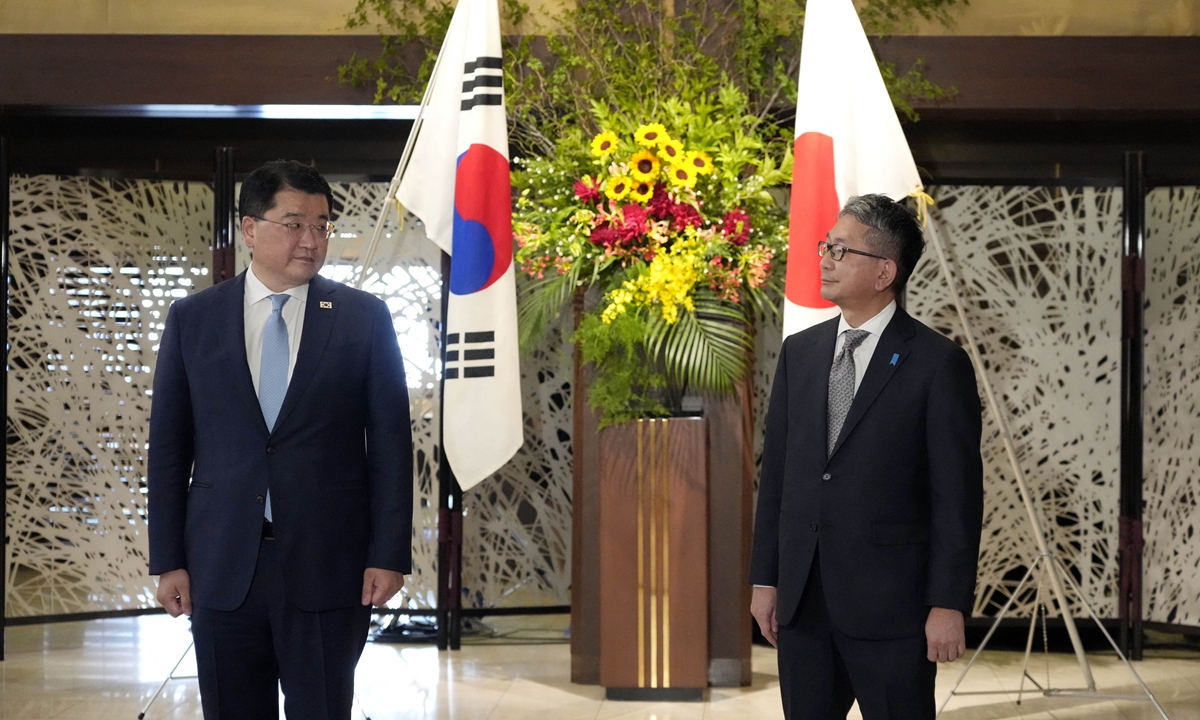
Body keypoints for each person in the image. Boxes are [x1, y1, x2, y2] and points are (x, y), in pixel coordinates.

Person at [148, 160, 414, 720]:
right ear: (250, 228)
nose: (312, 240)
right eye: (294, 224)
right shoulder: (193, 320)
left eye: (322, 225)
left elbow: (391, 447)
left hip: (329, 565)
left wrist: (388, 555)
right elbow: (169, 450)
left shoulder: (363, 319)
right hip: (221, 568)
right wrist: (167, 559)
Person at [749, 194, 984, 719]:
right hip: (804, 605)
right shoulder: (801, 354)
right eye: (825, 246)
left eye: (840, 249)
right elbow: (779, 479)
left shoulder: (938, 364)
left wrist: (947, 603)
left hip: (893, 611)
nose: (824, 258)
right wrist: (765, 580)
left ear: (884, 272)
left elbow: (957, 499)